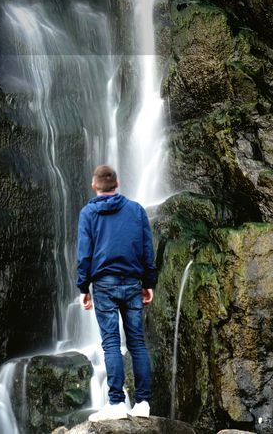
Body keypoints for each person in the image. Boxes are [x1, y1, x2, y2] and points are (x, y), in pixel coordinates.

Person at [76, 163, 157, 420]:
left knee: (111, 343)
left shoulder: (88, 214)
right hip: (133, 283)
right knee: (136, 343)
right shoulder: (136, 210)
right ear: (118, 184)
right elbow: (147, 249)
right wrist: (148, 282)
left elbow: (84, 254)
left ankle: (116, 403)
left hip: (104, 285)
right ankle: (143, 403)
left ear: (94, 186)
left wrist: (83, 287)